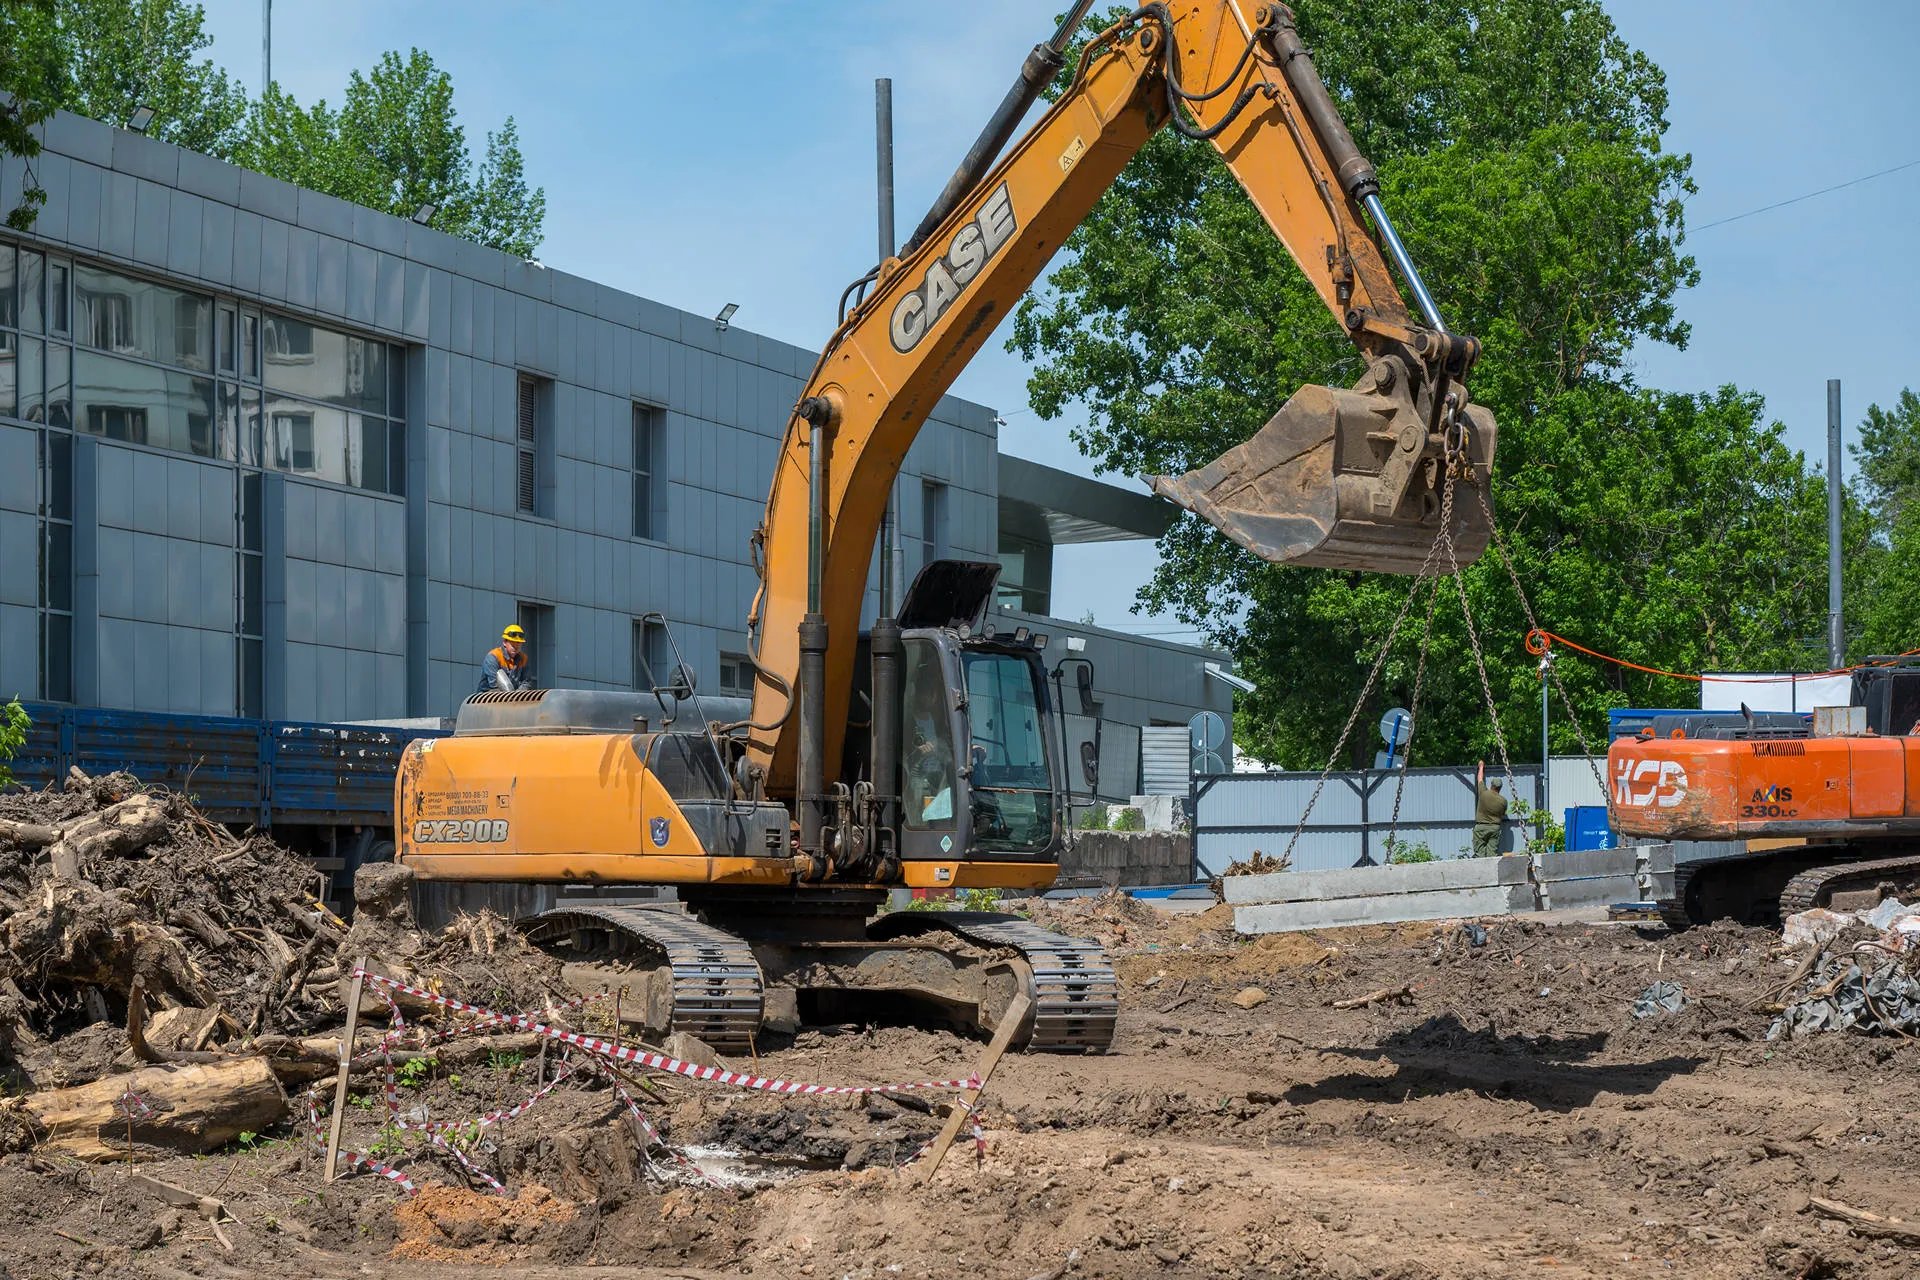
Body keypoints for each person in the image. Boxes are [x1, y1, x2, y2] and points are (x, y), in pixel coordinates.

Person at [478, 625, 535, 694]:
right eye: (512, 645)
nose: (515, 648)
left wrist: (518, 695)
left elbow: (527, 682)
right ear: (505, 643)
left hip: (511, 697)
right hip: (488, 696)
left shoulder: (523, 659)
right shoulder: (494, 657)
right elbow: (494, 685)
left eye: (518, 644)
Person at [1473, 761, 1507, 857]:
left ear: (1491, 785)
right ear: (1500, 788)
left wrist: (1481, 766)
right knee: (1492, 854)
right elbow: (1502, 815)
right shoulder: (1503, 801)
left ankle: (1481, 870)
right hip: (1495, 828)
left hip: (1481, 827)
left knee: (1479, 854)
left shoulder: (1484, 793)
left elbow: (1479, 779)